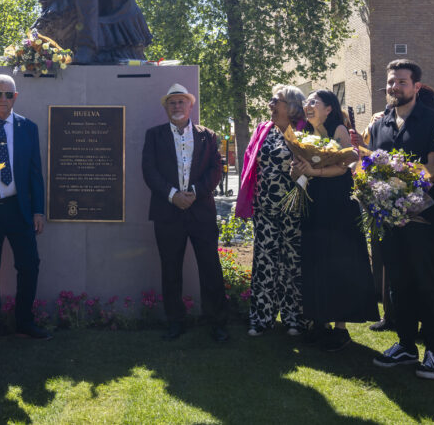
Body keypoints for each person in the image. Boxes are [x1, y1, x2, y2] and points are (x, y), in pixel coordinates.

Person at [357, 61, 434, 379]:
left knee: (426, 285)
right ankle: (406, 345)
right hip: (389, 220)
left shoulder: (433, 120)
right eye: (391, 82)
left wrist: (402, 186)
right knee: (398, 284)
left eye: (402, 82)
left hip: (422, 220)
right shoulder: (380, 123)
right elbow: (370, 165)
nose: (395, 87)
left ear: (416, 87)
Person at [142, 83, 228, 342]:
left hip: (200, 211)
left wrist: (193, 192)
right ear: (166, 108)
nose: (177, 106)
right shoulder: (154, 135)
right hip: (167, 212)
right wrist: (173, 196)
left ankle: (217, 322)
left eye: (181, 101)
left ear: (191, 106)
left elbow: (216, 169)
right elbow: (149, 171)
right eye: (172, 102)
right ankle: (175, 321)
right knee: (170, 269)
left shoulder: (208, 136)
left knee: (211, 268)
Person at [294, 90, 377, 352]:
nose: (308, 106)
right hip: (314, 202)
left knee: (340, 261)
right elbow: (301, 166)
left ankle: (341, 329)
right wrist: (298, 171)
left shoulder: (339, 129)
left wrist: (314, 170)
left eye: (313, 102)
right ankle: (320, 321)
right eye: (307, 102)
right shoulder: (304, 133)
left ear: (328, 108)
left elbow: (343, 166)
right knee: (317, 260)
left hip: (337, 204)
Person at [0, 74, 49, 341]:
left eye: (8, 94)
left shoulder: (28, 127)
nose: (3, 99)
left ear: (15, 97)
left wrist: (38, 211)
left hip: (19, 208)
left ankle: (24, 322)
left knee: (30, 265)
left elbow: (35, 173)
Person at [237, 85, 307, 337]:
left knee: (292, 263)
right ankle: (261, 318)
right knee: (264, 262)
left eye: (275, 100)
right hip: (264, 208)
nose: (270, 104)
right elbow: (250, 162)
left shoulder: (303, 132)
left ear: (291, 107)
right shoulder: (263, 130)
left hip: (294, 209)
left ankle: (294, 319)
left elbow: (313, 167)